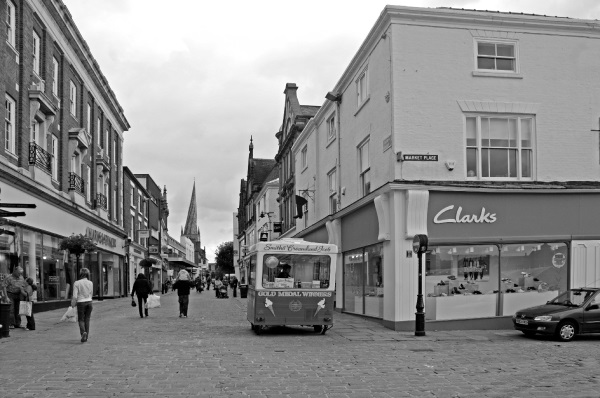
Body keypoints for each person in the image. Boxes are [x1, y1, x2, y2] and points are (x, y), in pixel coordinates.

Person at [72, 268, 93, 343]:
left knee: (81, 319)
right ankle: (86, 336)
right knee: (87, 319)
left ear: (80, 274)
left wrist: (73, 304)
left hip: (81, 302)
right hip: (89, 302)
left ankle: (83, 332)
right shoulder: (90, 283)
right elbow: (91, 294)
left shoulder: (77, 283)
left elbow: (75, 296)